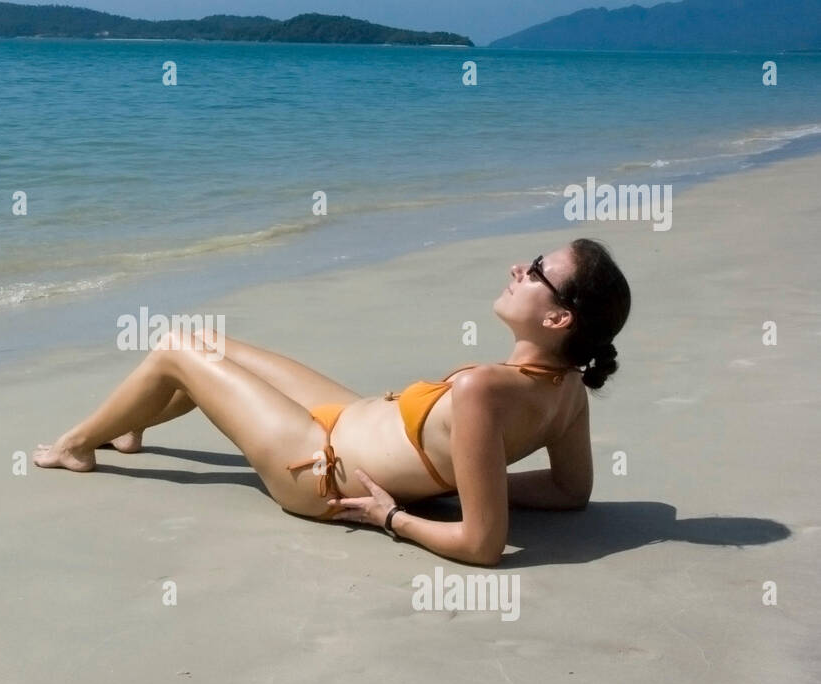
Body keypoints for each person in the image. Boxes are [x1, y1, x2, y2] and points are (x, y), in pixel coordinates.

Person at [34, 238, 631, 566]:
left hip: (321, 469)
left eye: (534, 270)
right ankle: (131, 425)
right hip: (352, 414)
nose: (516, 267)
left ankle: (75, 447)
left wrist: (392, 516)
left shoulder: (485, 391)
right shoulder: (566, 389)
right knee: (210, 344)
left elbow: (483, 546)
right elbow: (568, 492)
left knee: (174, 348)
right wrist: (467, 481)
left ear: (557, 317)